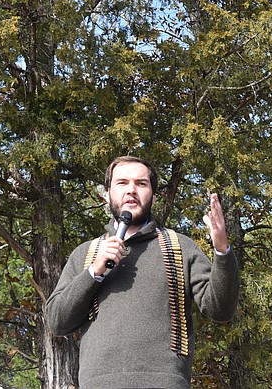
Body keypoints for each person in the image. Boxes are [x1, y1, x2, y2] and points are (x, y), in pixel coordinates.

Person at [45, 156, 241, 388]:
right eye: (122, 183)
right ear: (107, 195)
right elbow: (57, 322)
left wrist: (222, 251)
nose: (131, 190)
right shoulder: (86, 253)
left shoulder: (180, 247)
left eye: (141, 183)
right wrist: (93, 272)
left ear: (153, 196)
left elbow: (220, 310)